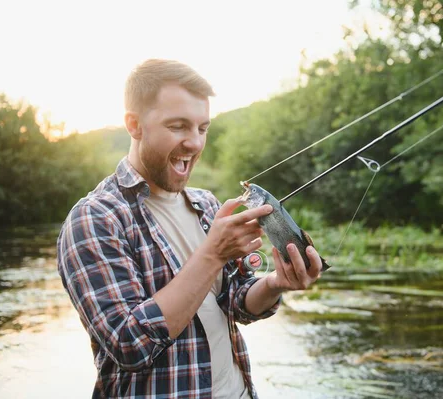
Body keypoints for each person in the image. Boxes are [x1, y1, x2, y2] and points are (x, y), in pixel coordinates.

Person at [57, 59, 322, 399]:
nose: (195, 143)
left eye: (202, 128)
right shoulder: (94, 219)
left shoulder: (206, 204)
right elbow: (129, 345)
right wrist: (212, 254)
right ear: (134, 125)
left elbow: (235, 300)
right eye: (178, 126)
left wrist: (275, 283)